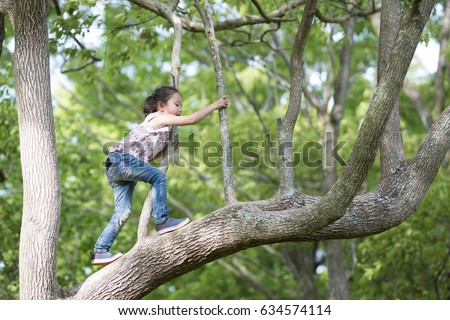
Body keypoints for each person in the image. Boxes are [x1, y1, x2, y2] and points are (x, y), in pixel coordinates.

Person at [90, 86, 229, 266]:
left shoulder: (162, 128)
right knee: (158, 177)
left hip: (115, 167)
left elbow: (152, 156)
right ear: (161, 105)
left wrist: (170, 146)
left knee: (122, 213)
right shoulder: (158, 117)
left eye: (181, 106)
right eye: (177, 104)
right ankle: (162, 220)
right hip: (121, 160)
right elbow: (193, 119)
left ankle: (100, 250)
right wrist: (215, 105)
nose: (180, 109)